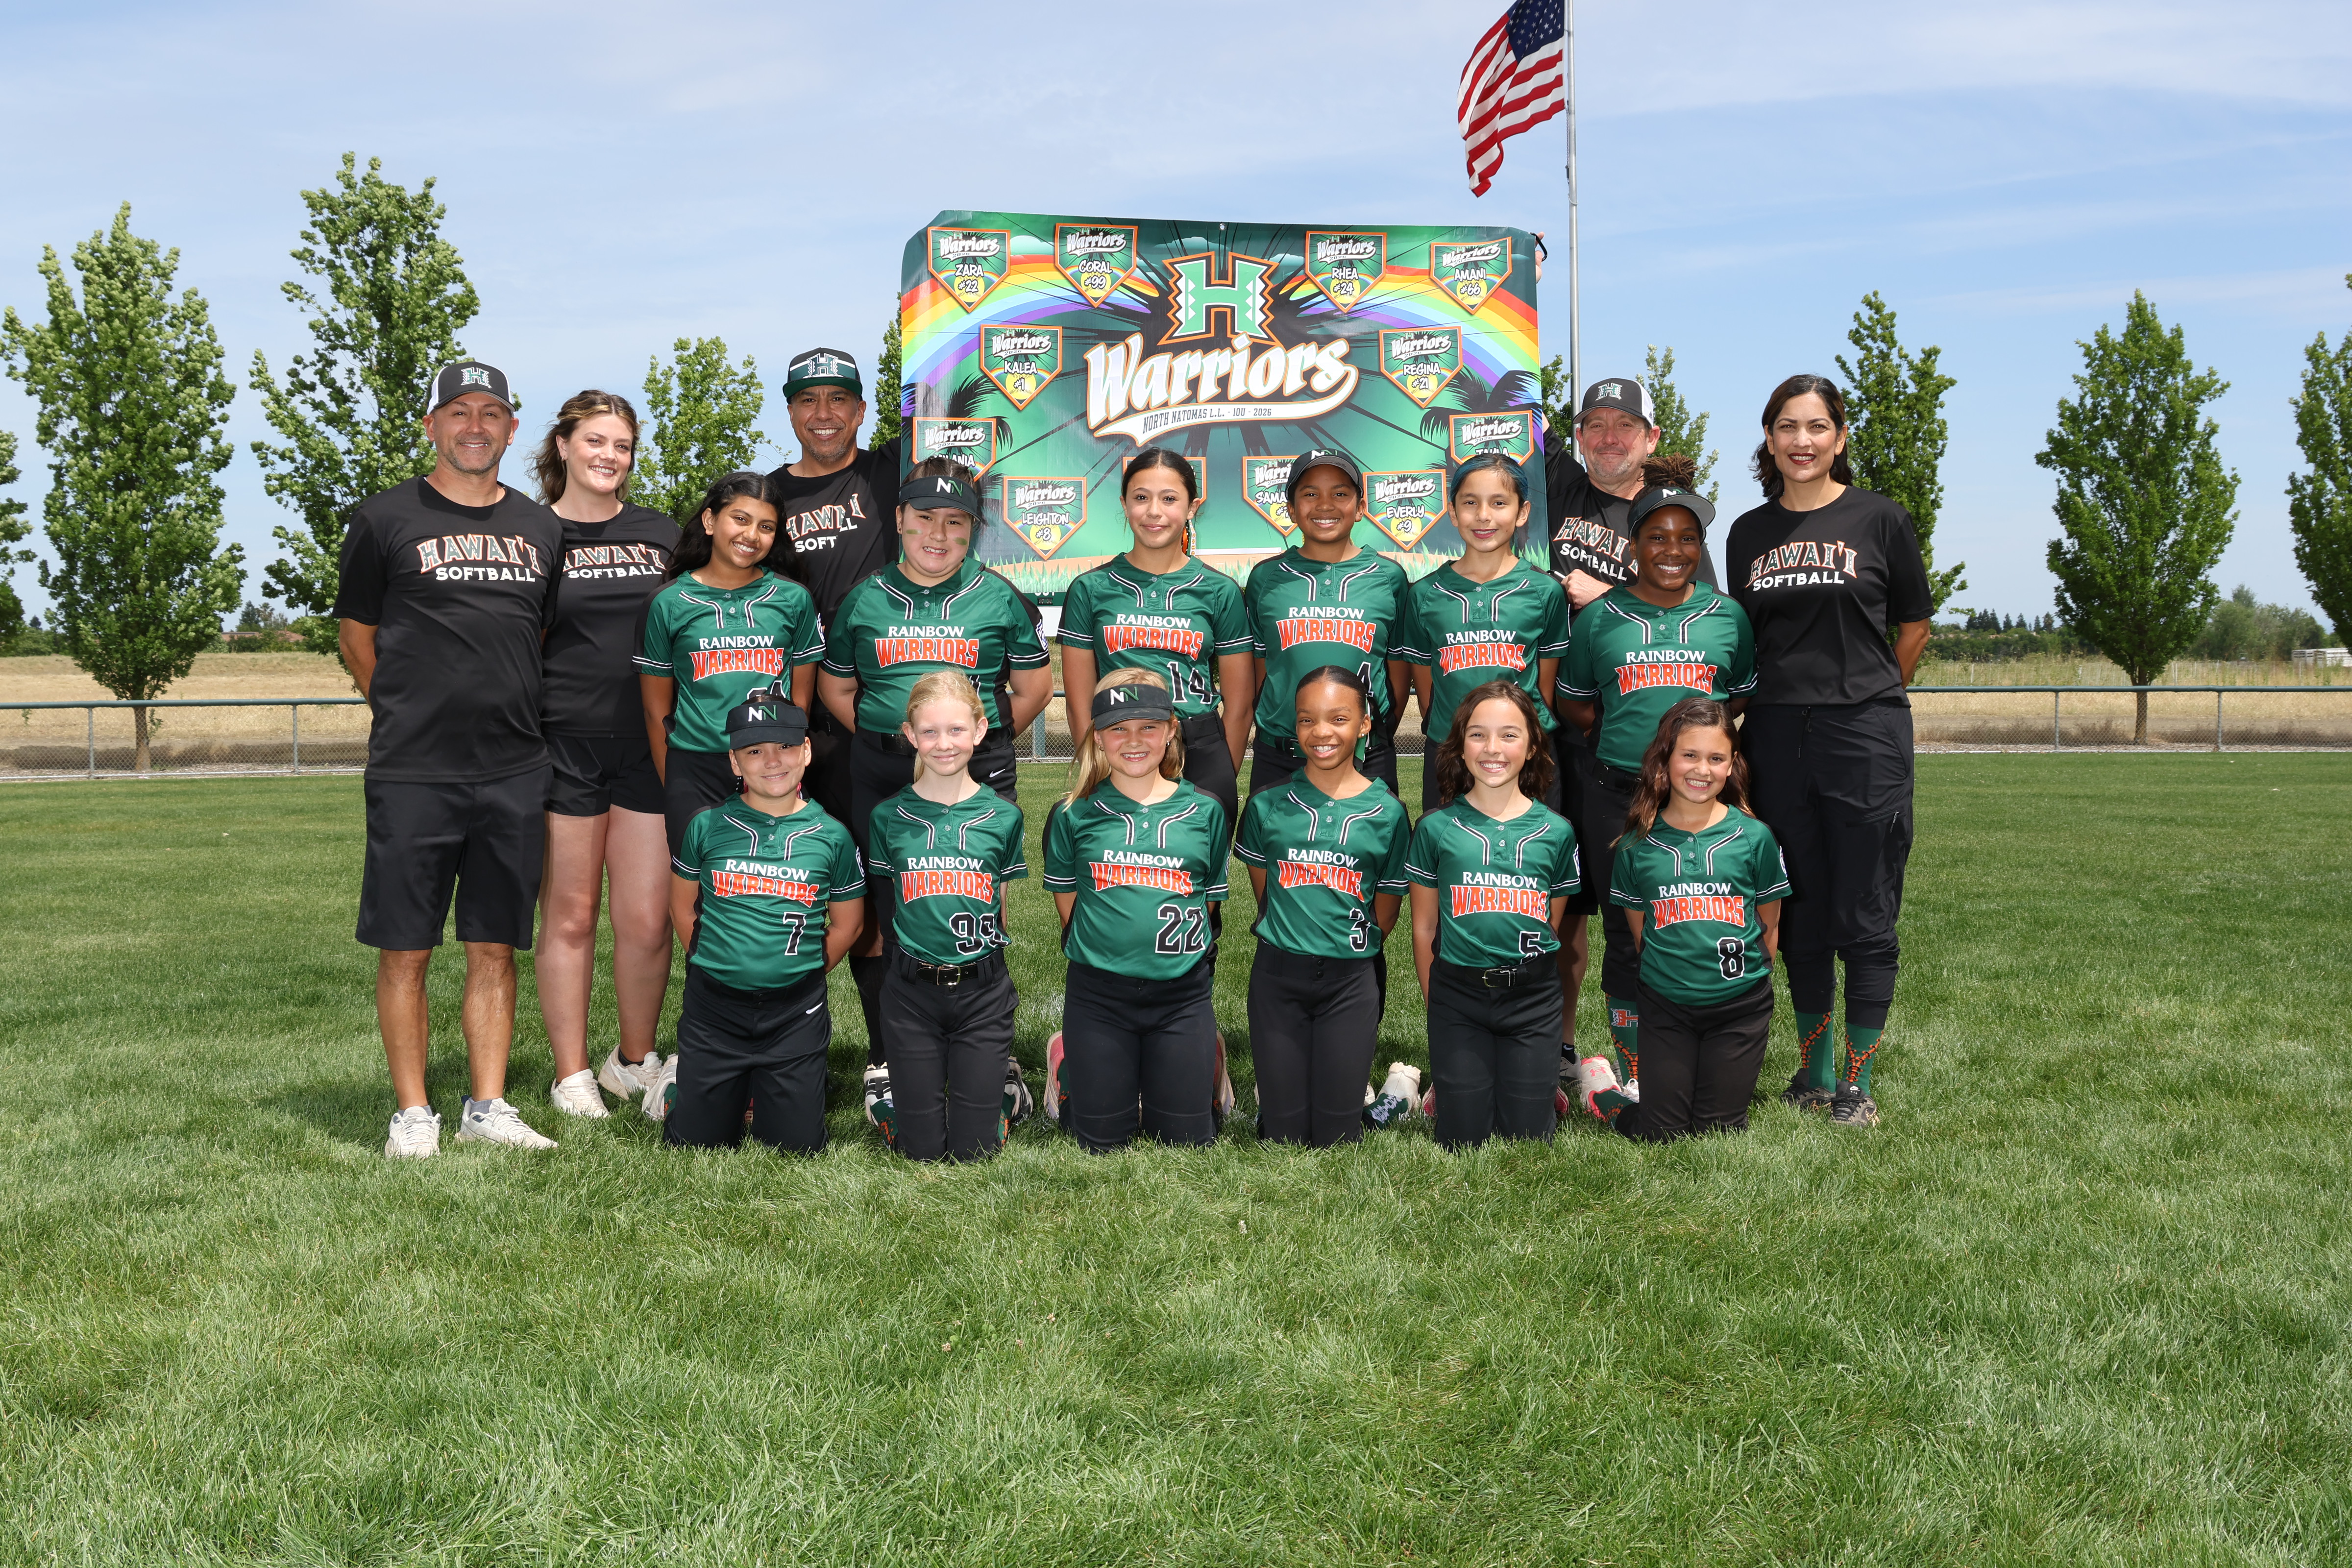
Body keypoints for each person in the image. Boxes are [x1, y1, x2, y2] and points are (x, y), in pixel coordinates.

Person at [334, 360, 566, 1157]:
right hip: (414, 772)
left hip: (514, 770)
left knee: (494, 945)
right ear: (431, 425)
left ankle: (487, 1105)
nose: (476, 426)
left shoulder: (541, 528)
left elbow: (535, 635)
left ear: (511, 427)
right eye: (459, 411)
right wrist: (407, 713)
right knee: (406, 948)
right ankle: (412, 1113)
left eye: (491, 413)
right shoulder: (382, 519)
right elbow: (357, 637)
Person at [1724, 375, 1933, 1128]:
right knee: (1800, 907)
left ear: (1840, 438)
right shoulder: (1748, 532)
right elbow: (1748, 640)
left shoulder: (1881, 519)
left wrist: (1866, 696)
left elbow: (1913, 626)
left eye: (1817, 427)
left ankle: (1858, 1084)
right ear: (1769, 437)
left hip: (1865, 736)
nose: (1802, 441)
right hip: (1776, 736)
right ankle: (1813, 1074)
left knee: (1865, 911)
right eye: (1788, 426)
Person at [818, 459, 1053, 1121]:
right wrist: (900, 744)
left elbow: (1034, 688)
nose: (938, 535)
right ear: (900, 519)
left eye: (955, 522)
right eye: (925, 518)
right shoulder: (864, 598)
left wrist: (967, 747)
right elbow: (837, 686)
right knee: (886, 908)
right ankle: (890, 1055)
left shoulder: (999, 596)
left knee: (976, 901)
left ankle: (989, 1052)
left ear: (973, 529)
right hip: (885, 768)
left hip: (976, 768)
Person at [1541, 378, 1726, 1079]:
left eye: (1625, 425)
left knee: (1648, 907)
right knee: (1562, 903)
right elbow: (1506, 400)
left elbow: (1700, 622)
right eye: (1595, 424)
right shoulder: (1562, 485)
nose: (1608, 437)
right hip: (1555, 730)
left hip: (1634, 749)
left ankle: (1662, 1054)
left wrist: (1608, 598)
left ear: (1652, 437)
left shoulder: (1669, 516)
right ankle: (1558, 1047)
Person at [529, 389, 683, 1119]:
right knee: (571, 915)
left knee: (647, 920)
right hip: (565, 745)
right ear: (563, 445)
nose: (609, 456)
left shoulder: (660, 533)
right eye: (595, 441)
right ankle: (571, 1075)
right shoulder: (532, 533)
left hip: (649, 745)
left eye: (622, 445)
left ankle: (631, 1059)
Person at [647, 687, 865, 1152]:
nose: (772, 761)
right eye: (754, 751)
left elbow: (849, 926)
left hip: (794, 1014)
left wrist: (798, 972)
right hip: (714, 1010)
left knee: (797, 1148)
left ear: (806, 751)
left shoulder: (833, 837)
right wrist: (716, 963)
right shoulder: (706, 827)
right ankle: (682, 1085)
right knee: (697, 1144)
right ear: (734, 762)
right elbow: (682, 908)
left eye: (785, 746)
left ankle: (775, 1083)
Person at [1578, 696, 1789, 1141]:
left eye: (1716, 758)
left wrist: (1743, 985)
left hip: (1739, 1008)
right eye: (1689, 755)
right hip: (1666, 1007)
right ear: (1665, 759)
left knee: (1719, 1133)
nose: (1702, 769)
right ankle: (1603, 1093)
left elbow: (1768, 929)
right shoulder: (1636, 845)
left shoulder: (1755, 838)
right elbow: (1642, 935)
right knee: (1663, 1133)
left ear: (1732, 765)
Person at [1041, 672, 1230, 1152]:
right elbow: (1072, 913)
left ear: (1171, 730)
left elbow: (1205, 905)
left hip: (1181, 997)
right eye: (1118, 728)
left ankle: (1206, 1062)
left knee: (1187, 1143)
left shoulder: (1206, 811)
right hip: (1099, 997)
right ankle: (1067, 1066)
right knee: (1100, 1143)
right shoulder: (1072, 813)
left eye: (1148, 726)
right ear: (1098, 736)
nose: (1134, 740)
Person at [1232, 667, 1409, 1147]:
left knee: (1337, 1137)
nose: (1321, 732)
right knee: (1284, 1137)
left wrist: (1339, 943)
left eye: (1338, 718)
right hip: (1277, 978)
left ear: (1365, 724)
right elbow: (1267, 896)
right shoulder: (1267, 805)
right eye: (1307, 719)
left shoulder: (1388, 812)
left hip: (1350, 981)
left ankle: (1395, 1095)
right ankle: (1284, 1091)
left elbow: (1385, 913)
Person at [1406, 681, 1580, 1150]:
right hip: (1458, 996)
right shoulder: (1436, 828)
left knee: (1527, 1139)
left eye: (1509, 735)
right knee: (1462, 1140)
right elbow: (1424, 927)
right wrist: (1437, 1004)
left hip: (1533, 1000)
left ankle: (1539, 1085)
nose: (1493, 749)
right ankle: (1450, 1086)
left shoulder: (1557, 832)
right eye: (1478, 735)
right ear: (1460, 745)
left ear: (1532, 746)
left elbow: (1549, 926)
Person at [865, 672, 1028, 1162]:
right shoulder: (888, 816)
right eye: (930, 731)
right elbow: (891, 906)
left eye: (956, 729)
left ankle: (1005, 1094)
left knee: (973, 1152)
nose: (944, 743)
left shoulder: (1003, 816)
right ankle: (890, 1104)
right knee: (922, 1152)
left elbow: (997, 907)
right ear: (910, 735)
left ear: (980, 730)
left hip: (982, 994)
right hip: (912, 996)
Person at [1058, 446, 1253, 833]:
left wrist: (1219, 773)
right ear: (1124, 503)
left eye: (1169, 499)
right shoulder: (1090, 589)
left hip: (1199, 746)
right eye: (1141, 497)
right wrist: (1096, 766)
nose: (1153, 512)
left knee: (1195, 869)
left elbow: (1240, 705)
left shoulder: (1220, 590)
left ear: (1192, 507)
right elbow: (1080, 705)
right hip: (1121, 745)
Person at [635, 470, 822, 868]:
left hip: (770, 765)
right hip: (695, 770)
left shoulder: (794, 599)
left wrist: (785, 766)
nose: (752, 535)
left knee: (769, 883)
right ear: (710, 520)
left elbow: (801, 703)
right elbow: (655, 711)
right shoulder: (667, 603)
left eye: (766, 526)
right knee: (699, 888)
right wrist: (675, 785)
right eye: (740, 519)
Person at [764, 348, 905, 833]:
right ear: (790, 412)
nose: (823, 413)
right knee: (804, 856)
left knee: (889, 855)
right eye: (808, 400)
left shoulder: (893, 470)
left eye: (838, 399)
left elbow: (952, 408)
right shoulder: (765, 498)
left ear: (861, 411)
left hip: (882, 697)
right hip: (800, 708)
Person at [1396, 454, 1570, 815]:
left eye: (1499, 503)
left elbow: (1544, 690)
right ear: (1453, 511)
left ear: (1523, 512)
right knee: (1448, 849)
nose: (1484, 516)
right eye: (1471, 503)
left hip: (1524, 756)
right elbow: (1428, 697)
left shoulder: (1544, 592)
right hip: (1450, 753)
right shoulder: (1425, 595)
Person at [1242, 448, 1412, 798]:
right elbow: (1263, 673)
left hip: (1365, 755)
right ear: (1291, 509)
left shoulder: (1389, 577)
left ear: (1360, 507)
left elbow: (1396, 675)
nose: (1324, 505)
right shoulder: (1266, 578)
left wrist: (1371, 733)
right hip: (1281, 756)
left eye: (1339, 494)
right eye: (1310, 494)